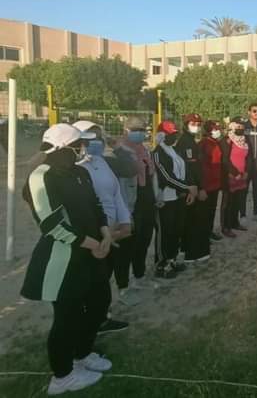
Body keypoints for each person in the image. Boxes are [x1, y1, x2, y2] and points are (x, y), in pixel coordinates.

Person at [21, 124, 113, 395]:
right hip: (63, 260)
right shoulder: (41, 176)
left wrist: (105, 233)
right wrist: (93, 244)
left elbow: (95, 205)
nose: (83, 148)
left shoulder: (80, 172)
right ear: (63, 148)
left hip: (93, 254)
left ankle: (82, 354)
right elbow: (51, 224)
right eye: (78, 145)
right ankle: (62, 377)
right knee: (67, 318)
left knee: (99, 304)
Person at [72, 121, 138, 320]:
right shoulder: (74, 168)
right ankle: (91, 320)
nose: (97, 141)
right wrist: (102, 232)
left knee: (104, 277)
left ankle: (101, 317)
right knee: (91, 279)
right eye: (91, 137)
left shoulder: (102, 162)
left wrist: (125, 221)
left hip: (112, 231)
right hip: (93, 234)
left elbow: (116, 194)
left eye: (99, 137)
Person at [115, 116, 158, 290]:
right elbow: (120, 184)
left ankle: (139, 275)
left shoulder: (144, 149)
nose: (140, 133)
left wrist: (157, 197)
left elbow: (151, 175)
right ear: (125, 130)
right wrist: (125, 212)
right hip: (131, 203)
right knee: (127, 245)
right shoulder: (120, 152)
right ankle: (123, 285)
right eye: (135, 129)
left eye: (142, 129)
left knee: (144, 240)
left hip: (147, 200)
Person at [152, 120, 197, 278]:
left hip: (178, 197)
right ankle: (162, 264)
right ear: (161, 135)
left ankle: (172, 259)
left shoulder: (174, 150)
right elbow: (166, 177)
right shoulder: (158, 153)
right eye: (170, 134)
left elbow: (185, 169)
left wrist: (190, 187)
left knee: (177, 229)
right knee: (165, 232)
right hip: (165, 199)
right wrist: (187, 188)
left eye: (175, 134)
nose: (174, 137)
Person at [175, 113, 209, 264]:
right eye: (193, 124)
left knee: (190, 220)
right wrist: (197, 188)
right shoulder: (186, 142)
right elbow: (190, 168)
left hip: (191, 185)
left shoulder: (190, 140)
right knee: (193, 221)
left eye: (198, 124)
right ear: (185, 125)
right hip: (192, 187)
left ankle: (186, 249)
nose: (196, 127)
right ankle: (192, 252)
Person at [222, 117, 251, 235]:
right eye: (238, 126)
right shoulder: (227, 140)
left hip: (242, 176)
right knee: (228, 202)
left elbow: (249, 157)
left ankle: (235, 222)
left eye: (242, 126)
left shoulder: (245, 140)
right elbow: (225, 159)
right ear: (233, 126)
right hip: (230, 175)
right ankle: (226, 227)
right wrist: (235, 173)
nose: (241, 128)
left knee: (237, 201)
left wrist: (246, 171)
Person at [198, 120, 225, 242]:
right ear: (208, 131)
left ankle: (209, 231)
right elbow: (201, 166)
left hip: (215, 183)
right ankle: (203, 235)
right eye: (215, 129)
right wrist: (202, 186)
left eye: (218, 129)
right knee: (204, 212)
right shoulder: (203, 144)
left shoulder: (216, 142)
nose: (217, 131)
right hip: (206, 183)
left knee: (212, 210)